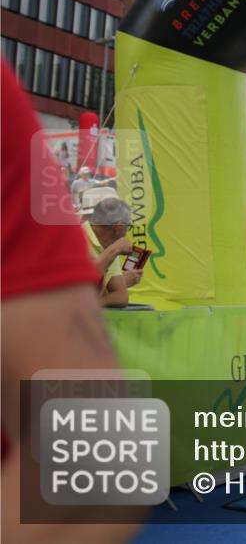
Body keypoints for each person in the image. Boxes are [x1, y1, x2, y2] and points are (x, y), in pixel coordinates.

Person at [2, 60, 143, 543]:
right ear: (109, 224)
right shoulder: (80, 235)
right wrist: (112, 262)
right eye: (121, 226)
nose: (125, 231)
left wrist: (125, 278)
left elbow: (113, 297)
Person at [82, 197, 142, 308]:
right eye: (128, 226)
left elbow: (121, 297)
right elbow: (82, 284)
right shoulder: (77, 237)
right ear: (119, 227)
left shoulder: (110, 246)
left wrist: (90, 303)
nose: (127, 232)